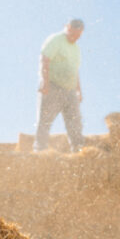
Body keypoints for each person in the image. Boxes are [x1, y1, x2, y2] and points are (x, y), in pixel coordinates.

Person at [34, 19, 84, 152]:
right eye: (72, 34)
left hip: (70, 90)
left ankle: (79, 152)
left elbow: (75, 71)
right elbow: (45, 59)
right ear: (67, 27)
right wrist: (45, 82)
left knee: (75, 124)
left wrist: (79, 90)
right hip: (53, 86)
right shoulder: (56, 40)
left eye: (78, 36)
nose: (74, 38)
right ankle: (40, 152)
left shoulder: (77, 49)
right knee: (45, 121)